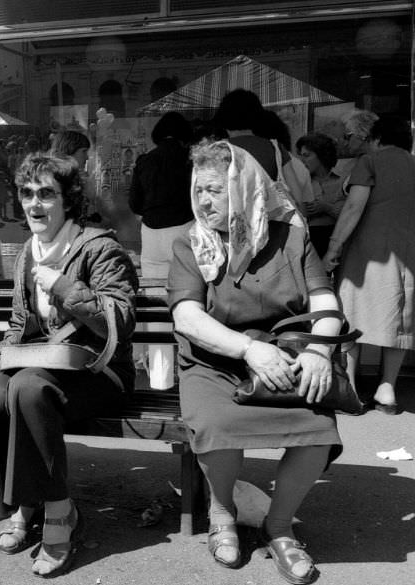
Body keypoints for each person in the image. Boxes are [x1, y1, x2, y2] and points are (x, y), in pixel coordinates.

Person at [168, 140, 342, 585]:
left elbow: (324, 299)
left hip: (283, 358)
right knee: (218, 424)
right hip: (214, 362)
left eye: (215, 190)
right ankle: (222, 512)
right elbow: (187, 316)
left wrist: (320, 351)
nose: (203, 200)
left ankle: (279, 527)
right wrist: (248, 349)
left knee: (316, 428)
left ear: (244, 189)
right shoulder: (191, 243)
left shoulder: (291, 237)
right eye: (199, 189)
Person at [0, 152, 138, 578]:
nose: (34, 204)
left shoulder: (100, 247)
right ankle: (28, 501)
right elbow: (18, 322)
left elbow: (119, 323)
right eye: (27, 194)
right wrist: (2, 354)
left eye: (46, 194)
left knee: (28, 388)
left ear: (68, 200)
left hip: (99, 372)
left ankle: (61, 511)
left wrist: (65, 286)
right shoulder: (29, 250)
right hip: (43, 367)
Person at [323, 115, 415, 415]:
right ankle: (387, 388)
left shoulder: (370, 162)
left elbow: (352, 208)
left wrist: (333, 250)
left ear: (376, 138)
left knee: (353, 313)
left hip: (368, 251)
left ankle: (350, 388)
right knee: (400, 317)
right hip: (409, 253)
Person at [128, 111, 194, 280]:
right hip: (186, 227)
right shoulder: (190, 159)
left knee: (154, 287)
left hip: (151, 232)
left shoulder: (145, 160)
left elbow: (135, 203)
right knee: (188, 285)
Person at [213, 89, 306, 206]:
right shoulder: (275, 148)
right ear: (258, 116)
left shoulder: (215, 151)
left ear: (223, 117)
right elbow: (298, 200)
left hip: (230, 221)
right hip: (269, 221)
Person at [295, 133, 346, 258]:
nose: (302, 161)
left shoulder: (341, 181)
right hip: (308, 241)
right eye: (300, 156)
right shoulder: (299, 182)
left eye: (306, 156)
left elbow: (350, 214)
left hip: (337, 240)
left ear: (322, 156)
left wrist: (326, 207)